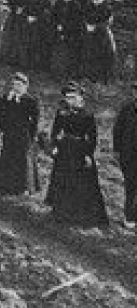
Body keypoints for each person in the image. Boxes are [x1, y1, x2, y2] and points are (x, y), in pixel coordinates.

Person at [46, 82, 108, 227]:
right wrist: (55, 145)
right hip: (64, 150)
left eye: (73, 97)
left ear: (80, 97)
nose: (70, 100)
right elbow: (55, 131)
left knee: (82, 183)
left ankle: (81, 215)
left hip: (80, 150)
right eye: (67, 98)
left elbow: (92, 137)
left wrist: (88, 154)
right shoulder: (62, 113)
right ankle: (61, 213)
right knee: (62, 180)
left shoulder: (87, 115)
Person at [0, 72, 40, 196]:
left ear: (25, 86)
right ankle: (6, 185)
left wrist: (32, 136)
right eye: (15, 85)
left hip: (23, 134)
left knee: (23, 160)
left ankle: (24, 187)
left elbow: (34, 120)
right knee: (8, 157)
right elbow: (1, 114)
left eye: (19, 85)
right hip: (10, 133)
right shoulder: (7, 98)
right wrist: (8, 102)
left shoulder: (30, 100)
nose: (16, 88)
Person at [112, 82, 137, 229]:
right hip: (129, 156)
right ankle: (130, 218)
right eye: (135, 91)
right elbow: (117, 130)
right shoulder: (126, 109)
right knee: (131, 186)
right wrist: (117, 150)